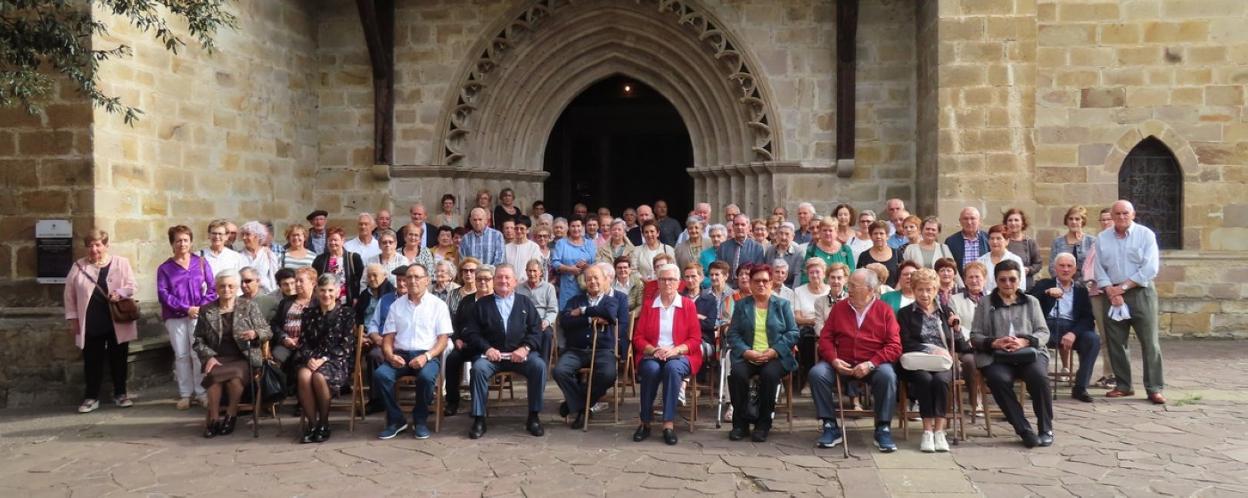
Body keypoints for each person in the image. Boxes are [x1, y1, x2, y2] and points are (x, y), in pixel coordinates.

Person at [810, 268, 902, 452]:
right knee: (817, 374)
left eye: (853, 285)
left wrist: (871, 363)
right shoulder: (839, 307)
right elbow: (825, 339)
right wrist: (834, 359)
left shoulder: (885, 311)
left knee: (888, 376)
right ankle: (830, 425)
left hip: (873, 364)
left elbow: (894, 346)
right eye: (849, 284)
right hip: (841, 362)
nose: (847, 288)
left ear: (869, 289)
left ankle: (882, 428)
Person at [971, 260, 1053, 448]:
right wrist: (995, 342)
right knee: (998, 380)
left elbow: (1043, 332)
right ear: (996, 281)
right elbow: (975, 335)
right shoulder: (986, 303)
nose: (1008, 284)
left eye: (1012, 279)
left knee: (1039, 378)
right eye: (1003, 280)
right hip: (997, 356)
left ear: (1019, 280)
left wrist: (1025, 341)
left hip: (1029, 353)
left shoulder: (1032, 302)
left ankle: (1046, 429)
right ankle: (1023, 429)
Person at [461, 264, 547, 439]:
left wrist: (525, 348)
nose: (503, 281)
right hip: (491, 356)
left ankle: (534, 416)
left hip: (521, 355)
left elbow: (536, 330)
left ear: (515, 281)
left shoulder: (525, 302)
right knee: (478, 369)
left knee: (539, 366)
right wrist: (487, 348)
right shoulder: (481, 305)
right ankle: (479, 418)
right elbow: (471, 332)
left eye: (507, 277)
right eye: (499, 277)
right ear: (493, 281)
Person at [1095, 200, 1165, 404]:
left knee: (1149, 342)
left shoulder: (1145, 235)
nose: (1121, 217)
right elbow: (1099, 268)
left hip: (1140, 292)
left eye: (1125, 213)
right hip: (1112, 293)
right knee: (1116, 342)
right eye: (1117, 213)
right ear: (1112, 215)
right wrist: (1110, 289)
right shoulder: (1102, 238)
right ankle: (1123, 385)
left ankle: (1154, 388)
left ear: (1133, 214)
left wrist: (1123, 287)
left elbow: (1151, 268)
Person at [373, 263, 452, 440]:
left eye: (417, 277)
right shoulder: (396, 306)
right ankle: (396, 419)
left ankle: (420, 419)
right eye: (409, 277)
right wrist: (390, 355)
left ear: (426, 280)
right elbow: (387, 338)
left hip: (427, 354)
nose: (413, 281)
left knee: (425, 377)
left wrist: (427, 356)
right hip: (400, 355)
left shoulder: (438, 305)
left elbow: (443, 339)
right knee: (381, 375)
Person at [64, 230, 138, 413]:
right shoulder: (78, 266)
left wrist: (119, 293)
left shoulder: (121, 263)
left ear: (106, 245)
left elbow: (132, 286)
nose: (94, 249)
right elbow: (69, 294)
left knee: (119, 358)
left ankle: (120, 393)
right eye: (90, 245)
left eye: (98, 244)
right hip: (91, 320)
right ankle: (91, 397)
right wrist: (73, 317)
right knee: (92, 360)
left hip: (117, 319)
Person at [897, 269, 970, 453]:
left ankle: (940, 431)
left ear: (936, 289)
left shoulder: (946, 312)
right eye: (920, 289)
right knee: (925, 379)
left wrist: (957, 329)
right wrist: (931, 348)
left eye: (929, 289)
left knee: (940, 380)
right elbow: (905, 343)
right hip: (917, 361)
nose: (925, 294)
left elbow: (960, 346)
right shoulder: (905, 313)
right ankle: (927, 432)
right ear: (913, 290)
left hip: (943, 362)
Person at [725, 264, 799, 442]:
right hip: (749, 355)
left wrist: (774, 351)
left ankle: (763, 424)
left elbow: (793, 333)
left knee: (769, 375)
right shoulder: (741, 305)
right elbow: (733, 333)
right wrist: (746, 351)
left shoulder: (782, 305)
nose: (761, 284)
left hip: (774, 356)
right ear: (749, 283)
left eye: (765, 281)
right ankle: (740, 424)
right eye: (756, 281)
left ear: (772, 283)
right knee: (737, 374)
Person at [192, 269, 270, 438]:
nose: (226, 290)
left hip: (243, 357)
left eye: (230, 286)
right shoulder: (207, 310)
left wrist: (255, 333)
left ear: (236, 289)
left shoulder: (248, 306)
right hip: (217, 358)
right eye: (222, 286)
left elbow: (267, 331)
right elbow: (198, 340)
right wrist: (209, 357)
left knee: (233, 376)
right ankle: (214, 418)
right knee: (216, 378)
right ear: (216, 288)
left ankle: (231, 414)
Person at [632, 264, 702, 445]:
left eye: (671, 279)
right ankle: (645, 422)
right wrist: (653, 350)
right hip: (652, 354)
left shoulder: (687, 305)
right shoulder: (649, 306)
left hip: (680, 355)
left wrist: (675, 350)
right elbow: (638, 338)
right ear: (658, 282)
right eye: (663, 279)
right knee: (650, 369)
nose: (667, 283)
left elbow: (695, 340)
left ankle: (668, 424)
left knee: (672, 368)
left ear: (678, 282)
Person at [157, 225, 217, 410]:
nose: (182, 243)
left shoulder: (200, 262)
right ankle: (185, 394)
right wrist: (185, 308)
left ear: (191, 242)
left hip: (198, 314)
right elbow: (163, 294)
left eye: (185, 240)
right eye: (178, 240)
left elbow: (213, 288)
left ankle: (201, 392)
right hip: (175, 317)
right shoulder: (165, 268)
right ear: (172, 244)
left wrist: (199, 307)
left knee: (197, 354)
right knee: (182, 355)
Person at [553, 265, 619, 430]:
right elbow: (565, 321)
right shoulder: (574, 300)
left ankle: (573, 404)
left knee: (609, 374)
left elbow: (609, 315)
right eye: (589, 278)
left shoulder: (611, 301)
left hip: (602, 350)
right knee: (559, 371)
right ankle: (583, 407)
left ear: (604, 281)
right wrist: (590, 319)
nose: (593, 281)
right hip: (576, 350)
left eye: (596, 278)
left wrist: (583, 311)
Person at [294, 273, 357, 444]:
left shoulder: (347, 313)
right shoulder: (308, 313)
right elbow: (303, 342)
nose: (326, 294)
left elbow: (347, 345)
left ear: (337, 292)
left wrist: (324, 358)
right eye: (322, 290)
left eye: (330, 290)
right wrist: (309, 358)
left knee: (318, 376)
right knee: (303, 375)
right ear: (316, 292)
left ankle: (324, 423)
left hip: (336, 361)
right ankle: (313, 425)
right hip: (312, 360)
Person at [1031, 253, 1101, 403]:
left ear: (1075, 270)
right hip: (1046, 326)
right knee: (1032, 339)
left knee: (1093, 339)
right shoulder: (1044, 284)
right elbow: (1027, 299)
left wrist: (1073, 333)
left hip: (1071, 328)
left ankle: (1080, 387)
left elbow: (1088, 318)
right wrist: (1046, 292)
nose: (1065, 269)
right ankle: (1037, 386)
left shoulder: (1081, 291)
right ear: (1055, 268)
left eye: (1069, 266)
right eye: (1062, 266)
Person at [441, 260, 484, 417]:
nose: (469, 274)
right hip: (464, 343)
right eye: (465, 270)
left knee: (478, 364)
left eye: (473, 271)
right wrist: (457, 338)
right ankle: (452, 401)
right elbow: (456, 322)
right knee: (452, 359)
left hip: (484, 346)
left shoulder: (492, 298)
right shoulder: (465, 300)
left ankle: (477, 403)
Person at [1083, 207, 1117, 389]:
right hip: (1097, 292)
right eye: (1102, 220)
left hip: (1111, 292)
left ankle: (1115, 374)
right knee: (1104, 335)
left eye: (1108, 219)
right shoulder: (1098, 242)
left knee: (1114, 335)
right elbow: (1089, 267)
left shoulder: (1115, 242)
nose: (1105, 223)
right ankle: (1108, 373)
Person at [948, 260, 987, 413]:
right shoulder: (955, 299)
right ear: (964, 280)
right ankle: (974, 399)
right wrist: (970, 339)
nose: (974, 280)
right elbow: (957, 324)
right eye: (970, 277)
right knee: (970, 361)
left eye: (977, 277)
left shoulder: (992, 298)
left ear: (985, 279)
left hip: (988, 344)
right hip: (966, 345)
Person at [792, 258, 829, 395]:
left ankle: (826, 381)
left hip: (827, 327)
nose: (814, 275)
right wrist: (814, 321)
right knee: (808, 341)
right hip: (807, 327)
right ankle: (808, 380)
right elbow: (797, 317)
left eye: (817, 272)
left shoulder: (830, 290)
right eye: (811, 272)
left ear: (824, 274)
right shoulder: (799, 291)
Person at [271, 267, 317, 370]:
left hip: (308, 346)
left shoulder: (318, 303)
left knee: (300, 363)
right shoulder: (286, 302)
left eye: (301, 281)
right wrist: (284, 338)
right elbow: (274, 324)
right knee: (275, 362)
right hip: (286, 344)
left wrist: (300, 340)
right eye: (296, 281)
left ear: (313, 283)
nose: (297, 284)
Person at [694, 261, 733, 375]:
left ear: (726, 276)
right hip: (708, 334)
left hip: (724, 334)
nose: (713, 277)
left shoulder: (733, 295)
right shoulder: (703, 295)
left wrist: (710, 320)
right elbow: (698, 318)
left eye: (717, 274)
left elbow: (732, 319)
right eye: (711, 274)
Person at [517, 259, 558, 362]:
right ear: (526, 272)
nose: (532, 274)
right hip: (524, 322)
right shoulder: (519, 288)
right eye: (529, 271)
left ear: (540, 272)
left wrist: (547, 321)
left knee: (547, 334)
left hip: (542, 322)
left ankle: (543, 367)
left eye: (535, 271)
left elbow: (553, 310)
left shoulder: (549, 288)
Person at [311, 227, 365, 307]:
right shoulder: (320, 259)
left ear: (342, 241)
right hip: (326, 300)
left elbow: (361, 279)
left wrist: (356, 297)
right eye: (330, 240)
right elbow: (314, 279)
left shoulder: (354, 258)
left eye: (335, 240)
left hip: (348, 301)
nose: (333, 243)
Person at [802, 218, 855, 285]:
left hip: (841, 291)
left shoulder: (845, 249)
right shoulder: (812, 250)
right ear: (820, 232)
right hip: (819, 291)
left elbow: (852, 272)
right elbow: (805, 274)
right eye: (824, 230)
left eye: (830, 230)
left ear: (836, 232)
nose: (827, 233)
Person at [717, 214, 766, 285]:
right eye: (737, 224)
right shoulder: (723, 247)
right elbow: (719, 269)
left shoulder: (757, 248)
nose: (739, 227)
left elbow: (758, 271)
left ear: (749, 228)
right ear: (733, 227)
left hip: (748, 286)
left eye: (743, 225)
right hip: (727, 287)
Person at [977, 224, 1025, 294]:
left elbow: (1021, 286)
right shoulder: (981, 261)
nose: (994, 242)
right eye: (992, 238)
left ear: (1007, 241)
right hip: (987, 300)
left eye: (998, 238)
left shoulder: (1015, 260)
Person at [1050, 205, 1096, 275]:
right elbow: (1052, 267)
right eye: (1070, 219)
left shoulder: (1092, 241)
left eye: (1077, 219)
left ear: (1083, 221)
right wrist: (1064, 282)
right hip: (1062, 284)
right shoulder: (1057, 242)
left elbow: (1094, 267)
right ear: (1067, 221)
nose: (1073, 222)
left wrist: (1080, 283)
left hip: (1086, 284)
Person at [1003, 208, 1042, 289]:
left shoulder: (1029, 243)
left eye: (1016, 220)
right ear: (1006, 223)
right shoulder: (1002, 242)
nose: (1013, 223)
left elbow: (1038, 263)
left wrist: (1028, 270)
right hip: (1005, 286)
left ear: (1023, 224)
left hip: (1026, 287)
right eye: (1010, 220)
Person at [238, 222, 279, 293]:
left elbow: (274, 277)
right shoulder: (239, 256)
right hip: (245, 295)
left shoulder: (268, 254)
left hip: (266, 293)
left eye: (248, 234)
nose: (244, 238)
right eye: (243, 235)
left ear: (257, 236)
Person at [857, 220, 901, 288]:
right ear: (871, 236)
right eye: (875, 233)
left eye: (881, 233)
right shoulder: (864, 256)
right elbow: (859, 278)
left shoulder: (897, 254)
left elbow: (902, 276)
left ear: (887, 236)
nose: (878, 236)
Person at [946, 207, 988, 274]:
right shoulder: (951, 241)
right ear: (960, 221)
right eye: (965, 219)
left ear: (979, 220)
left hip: (984, 282)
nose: (969, 222)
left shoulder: (988, 239)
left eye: (972, 218)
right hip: (960, 282)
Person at [505, 218, 543, 285]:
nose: (519, 231)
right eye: (516, 228)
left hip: (527, 285)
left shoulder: (534, 247)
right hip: (509, 284)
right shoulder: (506, 247)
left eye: (522, 228)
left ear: (527, 230)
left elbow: (535, 267)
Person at [765, 222, 803, 287]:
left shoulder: (798, 253)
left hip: (789, 290)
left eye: (787, 234)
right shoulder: (770, 250)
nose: (783, 237)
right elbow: (766, 272)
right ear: (777, 234)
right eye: (781, 233)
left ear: (793, 236)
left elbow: (798, 276)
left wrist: (793, 294)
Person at [699, 224, 728, 288]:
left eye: (718, 236)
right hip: (710, 289)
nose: (715, 239)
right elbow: (700, 274)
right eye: (713, 236)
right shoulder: (704, 255)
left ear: (725, 237)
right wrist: (714, 282)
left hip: (729, 289)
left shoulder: (731, 252)